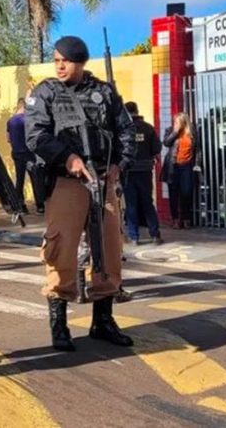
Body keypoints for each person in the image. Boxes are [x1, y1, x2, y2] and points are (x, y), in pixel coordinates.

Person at [25, 35, 136, 352]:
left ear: (81, 62)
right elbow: (36, 135)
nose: (59, 65)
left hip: (102, 181)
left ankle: (103, 320)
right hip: (66, 182)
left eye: (66, 60)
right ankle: (59, 325)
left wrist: (121, 164)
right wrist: (67, 157)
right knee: (61, 249)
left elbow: (125, 130)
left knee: (109, 250)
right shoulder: (46, 92)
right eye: (56, 60)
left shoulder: (104, 92)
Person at [123, 101, 162, 244]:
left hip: (128, 171)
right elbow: (156, 149)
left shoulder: (123, 128)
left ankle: (134, 237)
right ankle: (155, 234)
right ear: (137, 110)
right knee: (147, 202)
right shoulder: (148, 128)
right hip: (145, 170)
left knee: (131, 204)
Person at [7, 97, 45, 214]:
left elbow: (8, 139)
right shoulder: (28, 120)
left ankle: (20, 206)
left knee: (19, 179)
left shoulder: (10, 121)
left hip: (16, 153)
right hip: (29, 153)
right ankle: (40, 206)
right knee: (35, 179)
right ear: (24, 107)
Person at [161, 112, 199, 229]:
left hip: (187, 166)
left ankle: (186, 218)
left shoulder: (192, 132)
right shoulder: (170, 130)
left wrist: (197, 164)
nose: (175, 124)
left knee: (186, 192)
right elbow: (166, 143)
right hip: (173, 166)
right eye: (175, 122)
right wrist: (175, 132)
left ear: (184, 122)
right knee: (173, 193)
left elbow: (197, 149)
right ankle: (175, 219)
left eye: (178, 122)